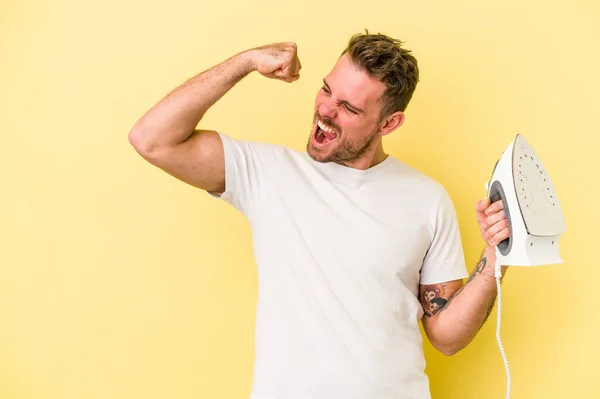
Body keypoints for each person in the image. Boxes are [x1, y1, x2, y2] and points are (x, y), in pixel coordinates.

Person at [129, 31, 510, 399]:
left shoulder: (427, 199)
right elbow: (151, 139)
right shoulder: (268, 174)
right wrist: (244, 62)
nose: (326, 110)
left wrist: (497, 255)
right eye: (327, 89)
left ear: (389, 123)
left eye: (349, 108)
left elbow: (447, 337)